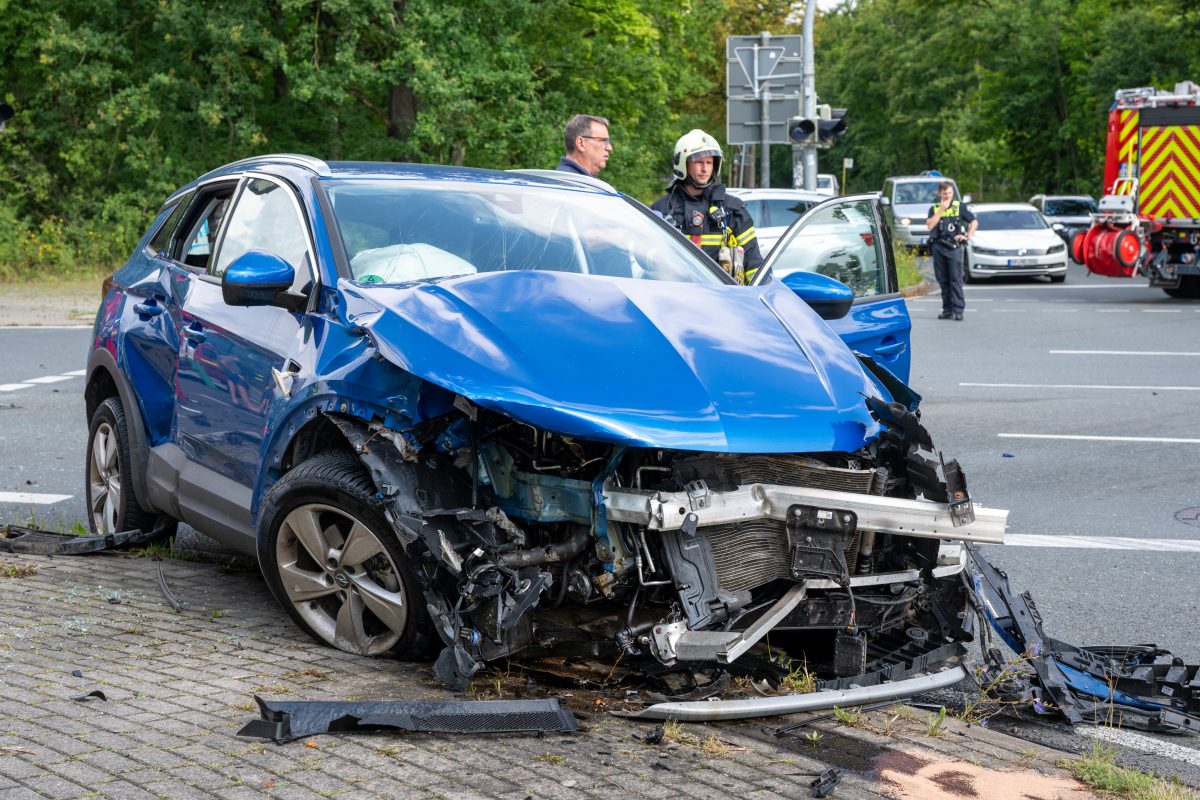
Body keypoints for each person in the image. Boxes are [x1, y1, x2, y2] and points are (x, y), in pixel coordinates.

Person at [651, 129, 762, 283]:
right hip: (675, 298)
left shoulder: (732, 210)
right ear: (683, 164)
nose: (705, 169)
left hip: (723, 299)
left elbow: (754, 263)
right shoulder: (661, 210)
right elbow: (646, 259)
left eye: (709, 162)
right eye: (698, 162)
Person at [925, 181, 977, 320]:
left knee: (955, 279)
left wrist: (967, 236)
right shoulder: (935, 208)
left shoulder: (959, 206)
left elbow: (974, 222)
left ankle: (958, 310)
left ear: (952, 192)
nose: (947, 195)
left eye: (949, 193)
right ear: (940, 193)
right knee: (943, 280)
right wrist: (941, 209)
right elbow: (930, 226)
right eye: (944, 193)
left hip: (954, 247)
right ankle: (947, 310)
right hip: (938, 247)